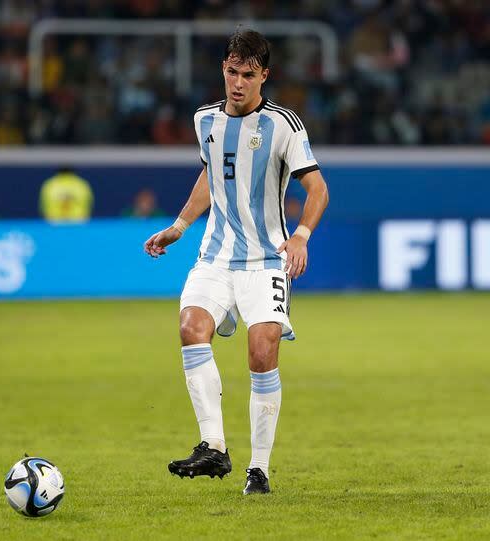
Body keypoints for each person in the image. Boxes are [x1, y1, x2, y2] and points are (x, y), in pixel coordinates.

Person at [143, 29, 329, 495]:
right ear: (223, 70)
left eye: (248, 74)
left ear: (264, 75)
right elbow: (211, 173)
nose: (238, 83)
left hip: (267, 259)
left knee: (262, 351)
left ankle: (259, 469)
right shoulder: (204, 119)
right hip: (216, 257)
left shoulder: (284, 124)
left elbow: (318, 189)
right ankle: (213, 447)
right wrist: (180, 226)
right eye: (232, 72)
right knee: (190, 326)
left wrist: (301, 236)